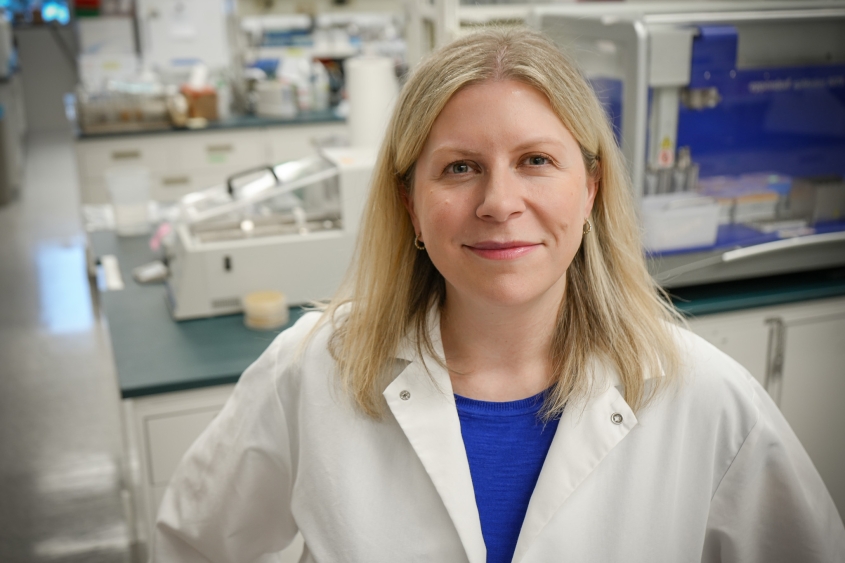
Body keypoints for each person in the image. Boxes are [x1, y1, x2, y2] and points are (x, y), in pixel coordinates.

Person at [154, 28, 845, 563]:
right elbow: (193, 543)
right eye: (459, 168)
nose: (498, 202)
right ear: (410, 202)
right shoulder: (310, 371)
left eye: (535, 161)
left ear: (591, 187)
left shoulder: (705, 397)